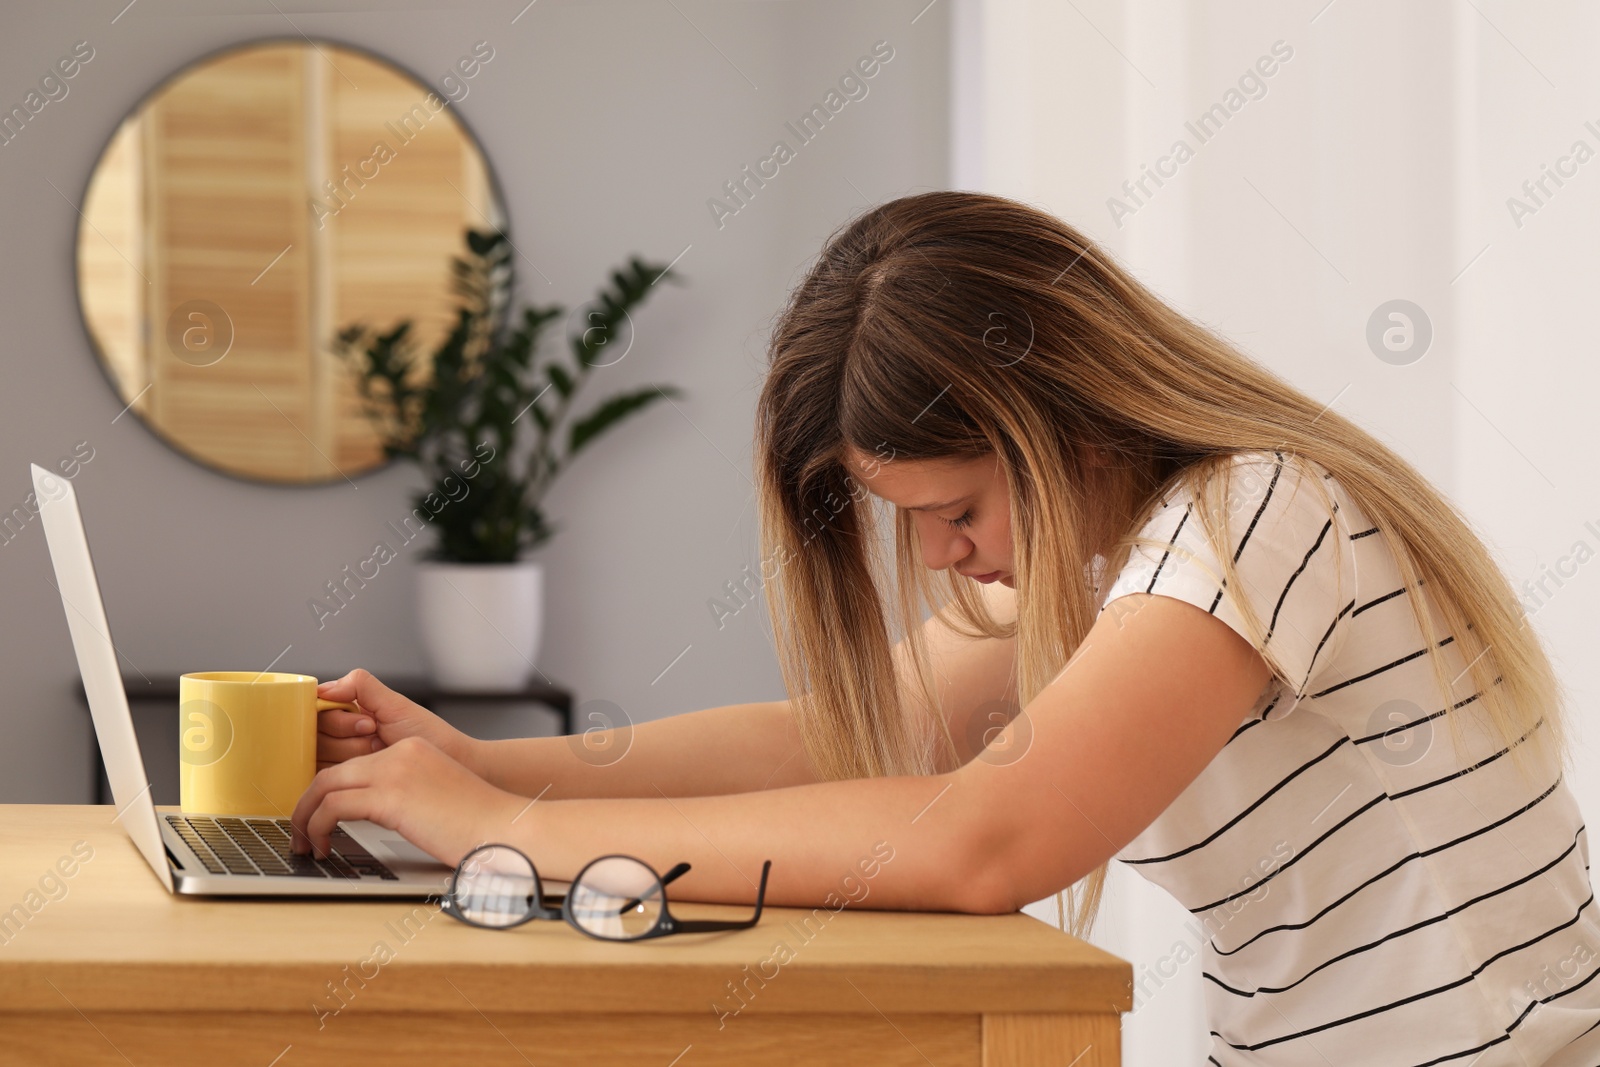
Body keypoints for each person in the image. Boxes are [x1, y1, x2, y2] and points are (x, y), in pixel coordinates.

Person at [293, 190, 1600, 1064]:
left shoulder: (1257, 512)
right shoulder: (1110, 568)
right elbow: (854, 737)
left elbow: (988, 838)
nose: (938, 557)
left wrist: (520, 840)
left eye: (958, 506)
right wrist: (476, 769)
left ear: (1068, 422)